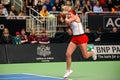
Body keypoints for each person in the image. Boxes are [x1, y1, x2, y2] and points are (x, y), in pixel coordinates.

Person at [64, 10, 97, 78]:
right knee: (68, 54)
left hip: (81, 37)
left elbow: (67, 20)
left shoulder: (76, 17)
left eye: (70, 14)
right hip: (75, 38)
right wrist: (68, 27)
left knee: (85, 56)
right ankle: (68, 70)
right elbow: (70, 33)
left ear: (73, 14)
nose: (69, 15)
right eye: (68, 14)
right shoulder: (70, 21)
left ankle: (93, 52)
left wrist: (65, 18)